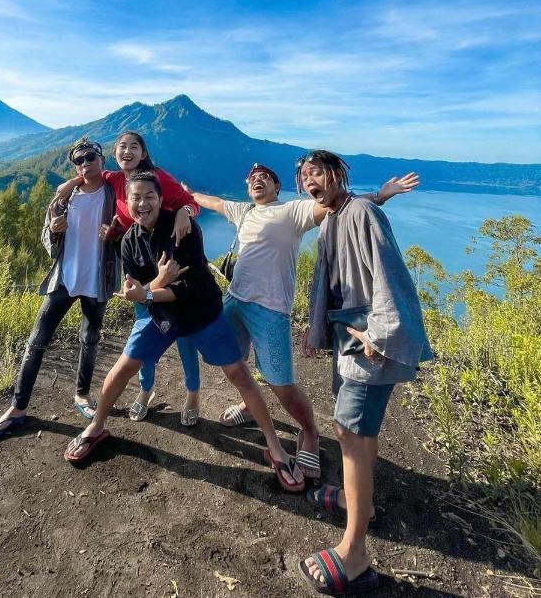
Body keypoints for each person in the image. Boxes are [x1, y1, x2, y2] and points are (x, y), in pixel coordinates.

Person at [62, 171, 305, 492]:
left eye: (149, 196)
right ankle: (95, 426)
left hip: (201, 312)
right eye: (135, 198)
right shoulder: (130, 242)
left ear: (162, 201)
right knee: (121, 370)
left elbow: (184, 287)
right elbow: (135, 287)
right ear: (127, 203)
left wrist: (147, 292)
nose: (142, 203)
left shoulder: (185, 230)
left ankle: (275, 448)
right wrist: (151, 288)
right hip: (160, 316)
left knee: (239, 374)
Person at [186, 164, 417, 481]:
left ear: (276, 187)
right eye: (252, 178)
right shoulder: (243, 211)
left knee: (281, 382)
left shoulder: (293, 211)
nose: (257, 179)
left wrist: (379, 195)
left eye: (265, 177)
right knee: (229, 359)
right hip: (236, 301)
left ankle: (308, 432)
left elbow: (341, 204)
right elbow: (209, 201)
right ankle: (249, 402)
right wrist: (182, 192)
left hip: (270, 310)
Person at [297, 150, 433, 596]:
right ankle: (364, 504)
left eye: (316, 172)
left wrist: (380, 333)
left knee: (348, 431)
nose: (309, 181)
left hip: (369, 342)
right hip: (348, 338)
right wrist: (319, 331)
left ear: (336, 174)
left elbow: (391, 275)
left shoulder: (362, 214)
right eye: (304, 177)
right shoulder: (336, 217)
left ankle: (355, 557)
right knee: (360, 428)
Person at [52, 131, 202, 425]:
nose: (128, 151)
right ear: (115, 154)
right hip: (137, 265)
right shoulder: (114, 179)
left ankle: (192, 393)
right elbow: (90, 174)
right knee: (144, 328)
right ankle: (146, 390)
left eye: (134, 146)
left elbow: (190, 202)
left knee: (183, 332)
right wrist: (73, 184)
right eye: (122, 147)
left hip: (170, 261)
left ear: (143, 153)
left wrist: (185, 212)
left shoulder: (157, 178)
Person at [0, 137, 119, 438]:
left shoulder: (113, 194)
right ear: (74, 165)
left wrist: (116, 234)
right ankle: (18, 408)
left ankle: (82, 395)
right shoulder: (64, 199)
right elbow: (48, 238)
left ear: (102, 160)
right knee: (36, 341)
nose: (85, 164)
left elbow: (128, 226)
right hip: (64, 280)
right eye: (79, 160)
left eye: (90, 158)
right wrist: (54, 231)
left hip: (97, 280)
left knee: (90, 337)